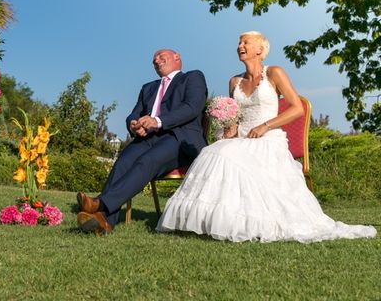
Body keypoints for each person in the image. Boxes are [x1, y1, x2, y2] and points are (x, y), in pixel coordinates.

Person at [157, 31, 377, 242]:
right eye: (239, 43)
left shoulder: (274, 73)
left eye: (245, 43)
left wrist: (265, 126)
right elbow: (235, 120)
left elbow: (296, 108)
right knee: (214, 150)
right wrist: (229, 129)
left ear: (260, 49)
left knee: (225, 154)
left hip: (269, 140)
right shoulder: (234, 81)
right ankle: (218, 221)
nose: (240, 46)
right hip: (242, 140)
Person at [77, 49, 208, 234]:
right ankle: (106, 222)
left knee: (147, 161)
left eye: (161, 56)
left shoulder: (193, 77)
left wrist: (158, 121)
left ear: (177, 57)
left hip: (179, 138)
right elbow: (135, 112)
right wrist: (133, 124)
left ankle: (100, 205)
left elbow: (192, 108)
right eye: (154, 59)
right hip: (148, 137)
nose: (156, 60)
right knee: (122, 162)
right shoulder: (148, 87)